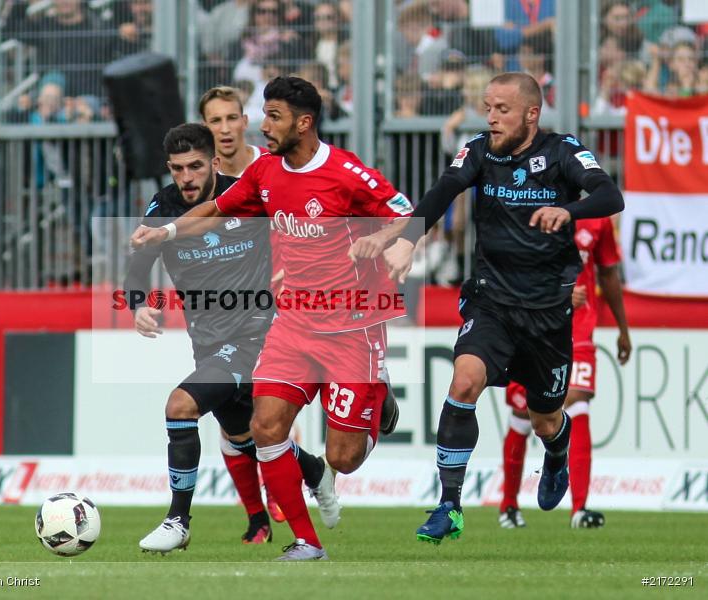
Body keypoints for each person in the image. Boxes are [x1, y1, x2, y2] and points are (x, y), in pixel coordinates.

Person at [131, 77, 408, 560]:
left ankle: (373, 395)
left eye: (272, 115)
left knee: (343, 456)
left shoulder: (346, 172)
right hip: (293, 326)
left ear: (303, 122)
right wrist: (167, 233)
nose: (263, 124)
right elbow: (216, 209)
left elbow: (406, 211)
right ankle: (305, 541)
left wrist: (388, 241)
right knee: (261, 430)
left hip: (346, 326)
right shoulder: (264, 175)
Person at [367, 72, 624, 543]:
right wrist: (407, 241)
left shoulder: (564, 151)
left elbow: (611, 195)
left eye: (501, 109)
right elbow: (444, 190)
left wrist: (570, 210)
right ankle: (449, 505)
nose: (490, 117)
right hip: (492, 301)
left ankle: (557, 450)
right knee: (464, 381)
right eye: (487, 107)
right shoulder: (480, 150)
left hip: (548, 313)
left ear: (531, 113)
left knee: (545, 418)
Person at [126, 123, 333, 554]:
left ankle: (178, 520)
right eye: (179, 168)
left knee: (180, 405)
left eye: (196, 166)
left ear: (214, 163)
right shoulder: (161, 207)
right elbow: (138, 264)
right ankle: (313, 469)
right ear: (169, 168)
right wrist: (137, 304)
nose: (187, 177)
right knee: (247, 437)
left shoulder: (247, 196)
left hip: (256, 331)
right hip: (208, 341)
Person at [499, 217, 631, 529]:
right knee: (522, 416)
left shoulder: (598, 219)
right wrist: (555, 296)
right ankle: (509, 506)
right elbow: (513, 271)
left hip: (579, 331)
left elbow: (609, 273)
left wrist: (623, 329)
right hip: (532, 330)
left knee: (578, 401)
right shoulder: (531, 209)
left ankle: (579, 509)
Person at [198, 85, 285, 524]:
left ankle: (277, 489)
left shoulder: (269, 168)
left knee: (271, 401)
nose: (225, 128)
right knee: (230, 417)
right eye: (215, 121)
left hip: (274, 307)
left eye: (232, 118)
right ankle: (256, 516)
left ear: (244, 121)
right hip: (217, 314)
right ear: (206, 127)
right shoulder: (200, 179)